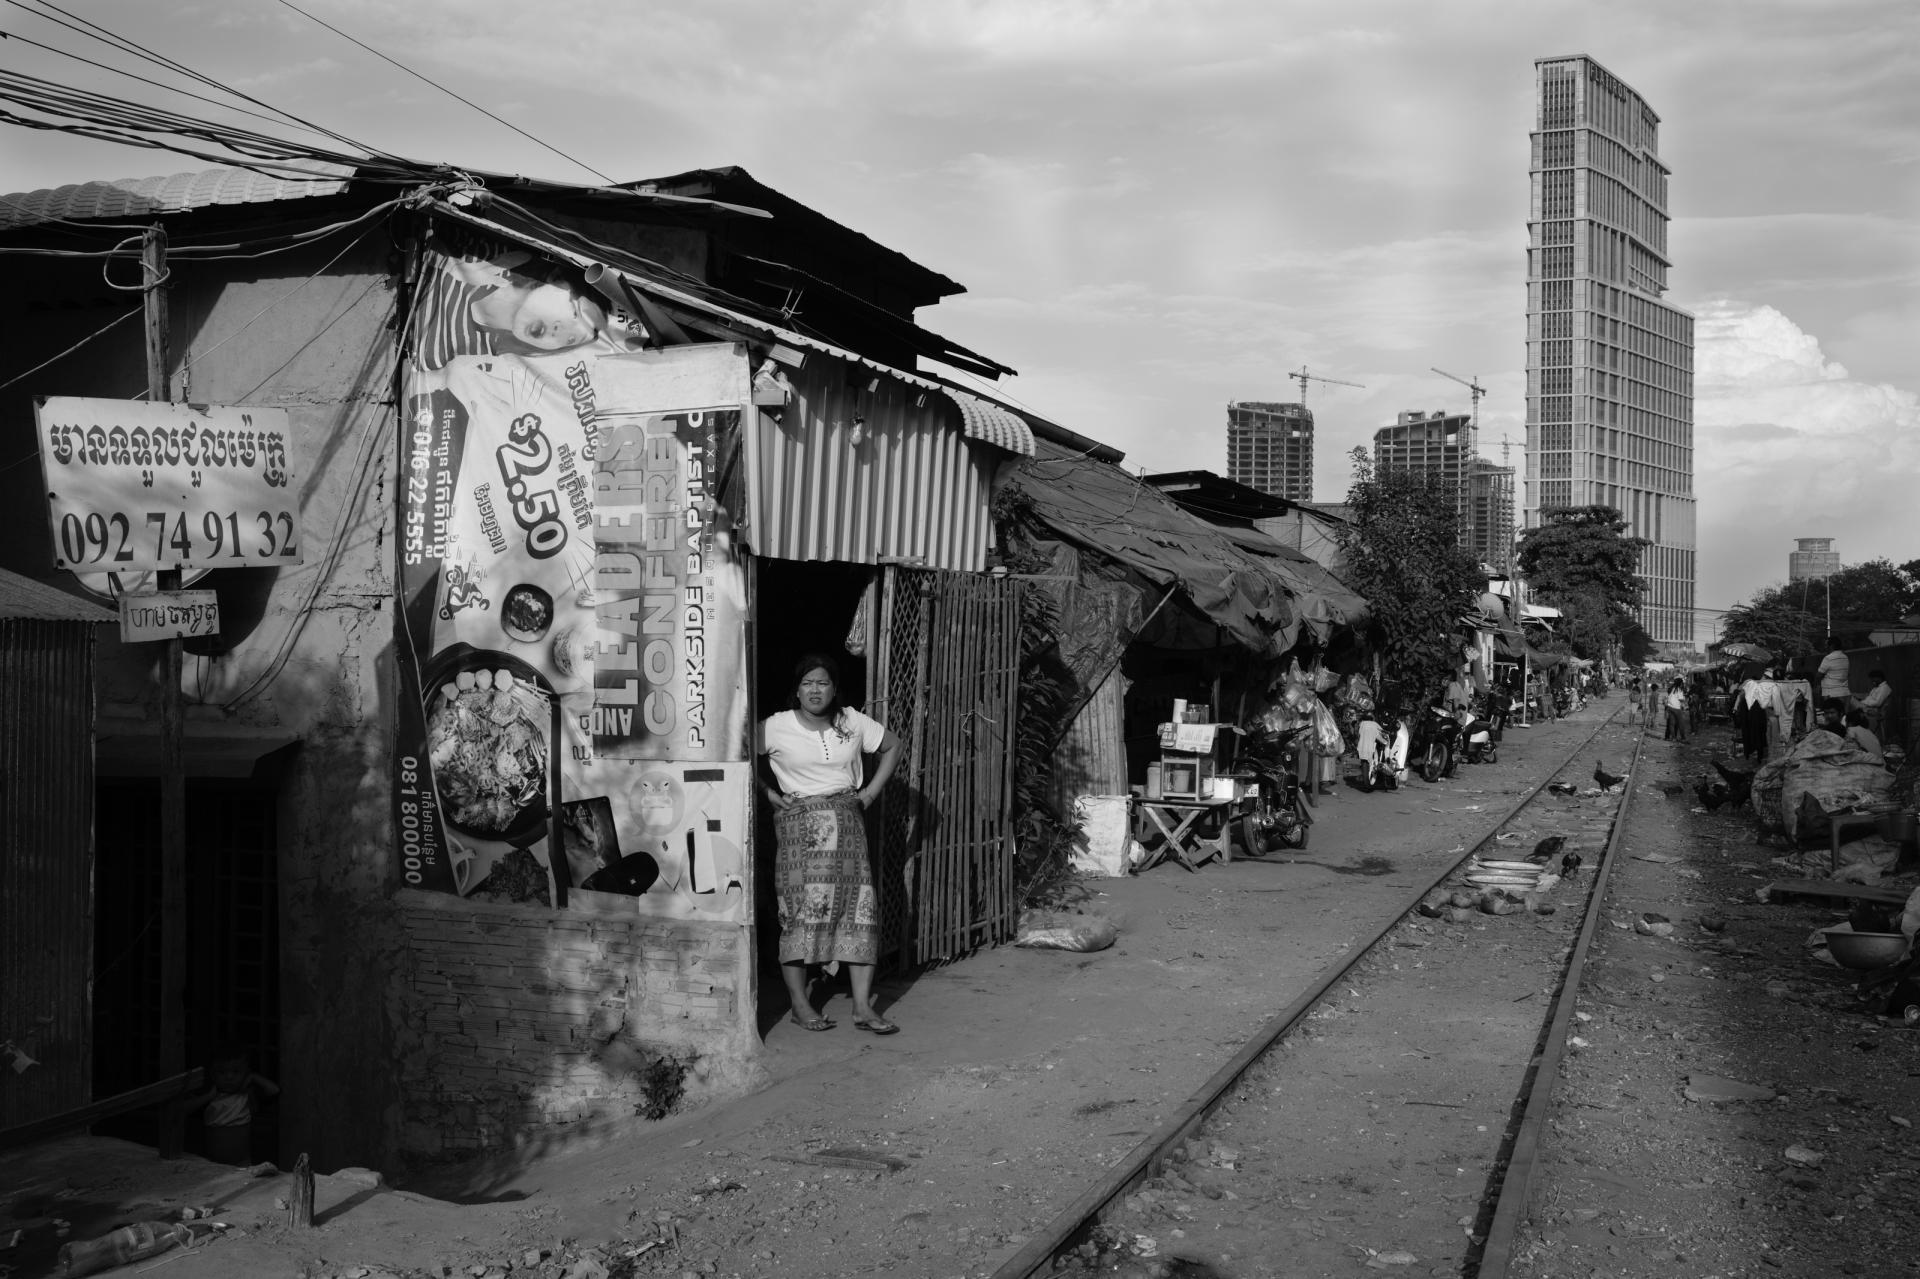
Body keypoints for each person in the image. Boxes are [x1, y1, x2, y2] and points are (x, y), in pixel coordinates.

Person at [755, 654, 905, 1035]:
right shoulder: (775, 727)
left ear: (834, 688)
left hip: (848, 827)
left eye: (822, 683)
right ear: (797, 690)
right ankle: (800, 1004)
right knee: (797, 914)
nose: (815, 690)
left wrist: (869, 793)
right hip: (797, 831)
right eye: (808, 683)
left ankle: (862, 1007)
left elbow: (893, 746)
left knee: (860, 912)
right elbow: (737, 755)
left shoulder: (852, 721)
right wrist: (769, 793)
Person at [186, 1046, 278, 1166]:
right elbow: (181, 1110)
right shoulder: (210, 1097)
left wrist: (253, 1077)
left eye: (236, 1072)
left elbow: (274, 1090)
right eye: (222, 1072)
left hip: (242, 1164)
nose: (229, 1077)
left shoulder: (246, 1096)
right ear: (213, 1075)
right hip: (212, 1164)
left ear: (245, 1072)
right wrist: (208, 1097)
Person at [1817, 636, 1851, 716]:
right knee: (1843, 719)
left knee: (1831, 720)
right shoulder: (1845, 657)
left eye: (1826, 645)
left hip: (1831, 694)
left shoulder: (1828, 658)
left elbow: (1819, 675)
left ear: (1831, 646)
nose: (1825, 647)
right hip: (1844, 693)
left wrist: (1816, 685)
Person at [1859, 668, 1893, 741]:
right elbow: (1869, 698)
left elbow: (1877, 703)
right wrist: (1863, 702)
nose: (1871, 681)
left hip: (1875, 710)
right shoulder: (1876, 688)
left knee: (1850, 701)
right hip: (1867, 707)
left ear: (1879, 678)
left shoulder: (1885, 688)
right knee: (1851, 699)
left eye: (1873, 679)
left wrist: (1863, 702)